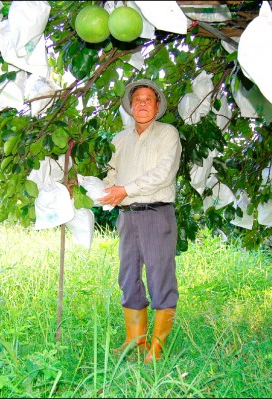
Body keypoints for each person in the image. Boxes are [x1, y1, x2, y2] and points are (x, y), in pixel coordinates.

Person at [98, 79, 182, 364]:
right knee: (128, 277)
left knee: (160, 277)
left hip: (156, 213)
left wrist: (124, 189)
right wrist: (94, 191)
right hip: (127, 216)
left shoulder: (168, 134)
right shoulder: (120, 140)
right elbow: (111, 177)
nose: (143, 103)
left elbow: (164, 173)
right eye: (137, 100)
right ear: (130, 107)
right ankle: (135, 339)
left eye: (149, 99)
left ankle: (157, 346)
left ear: (157, 106)